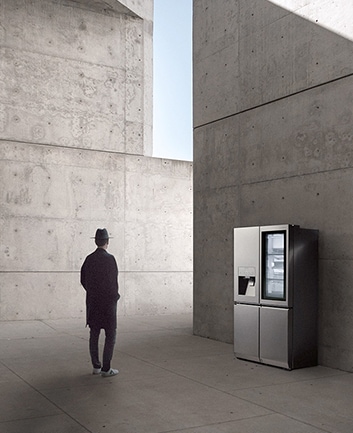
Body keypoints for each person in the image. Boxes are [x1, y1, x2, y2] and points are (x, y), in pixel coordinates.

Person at [80, 228, 120, 377]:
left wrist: (92, 292)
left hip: (93, 303)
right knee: (110, 334)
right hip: (108, 304)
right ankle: (106, 368)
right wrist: (115, 297)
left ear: (96, 241)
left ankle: (96, 366)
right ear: (107, 242)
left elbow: (83, 280)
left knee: (94, 334)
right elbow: (113, 282)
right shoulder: (110, 259)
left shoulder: (89, 259)